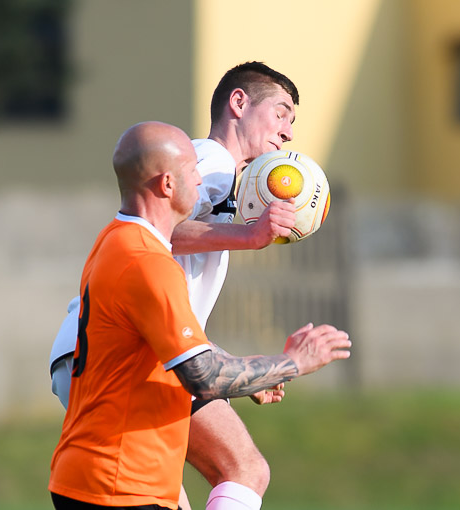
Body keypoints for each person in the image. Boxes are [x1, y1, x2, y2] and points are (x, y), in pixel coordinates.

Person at [48, 62, 322, 509]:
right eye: (281, 113)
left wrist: (239, 371)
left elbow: (173, 313)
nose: (288, 132)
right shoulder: (213, 162)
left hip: (104, 352)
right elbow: (162, 233)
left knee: (164, 496)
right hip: (123, 359)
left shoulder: (218, 177)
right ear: (238, 103)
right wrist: (251, 236)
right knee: (244, 470)